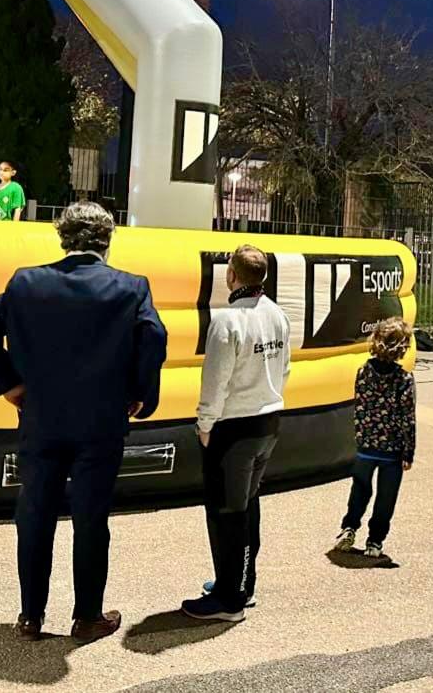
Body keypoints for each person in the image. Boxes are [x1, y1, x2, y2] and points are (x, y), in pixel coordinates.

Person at [0, 202, 167, 644]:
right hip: (102, 422)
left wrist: (9, 385)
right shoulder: (131, 287)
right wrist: (140, 396)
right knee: (91, 519)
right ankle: (88, 617)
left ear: (62, 238)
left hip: (40, 418)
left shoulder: (25, 281)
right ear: (107, 240)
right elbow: (154, 338)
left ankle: (30, 616)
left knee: (34, 515)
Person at [182, 245, 292, 623]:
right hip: (268, 422)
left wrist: (205, 424)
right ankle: (243, 584)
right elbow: (285, 369)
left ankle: (229, 601)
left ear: (231, 276)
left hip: (233, 429)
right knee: (247, 504)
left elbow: (215, 381)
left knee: (226, 512)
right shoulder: (278, 315)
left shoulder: (227, 321)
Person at [334, 316, 416, 559]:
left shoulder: (363, 372)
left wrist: (360, 436)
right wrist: (409, 451)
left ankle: (349, 526)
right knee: (386, 497)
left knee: (360, 488)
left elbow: (360, 406)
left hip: (366, 444)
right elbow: (407, 418)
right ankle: (375, 541)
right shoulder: (404, 379)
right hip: (392, 449)